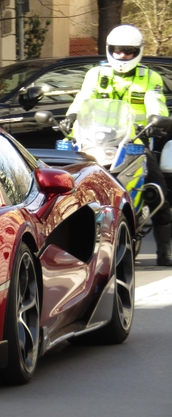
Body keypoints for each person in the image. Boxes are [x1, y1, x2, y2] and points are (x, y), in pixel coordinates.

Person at [64, 24, 172, 266]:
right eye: (117, 50)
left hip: (134, 141)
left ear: (138, 51)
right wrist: (70, 118)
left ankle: (165, 251)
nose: (122, 56)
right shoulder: (96, 74)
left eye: (128, 51)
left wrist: (156, 120)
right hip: (95, 140)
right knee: (65, 183)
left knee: (160, 190)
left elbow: (156, 103)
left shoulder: (149, 77)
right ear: (108, 49)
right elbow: (83, 99)